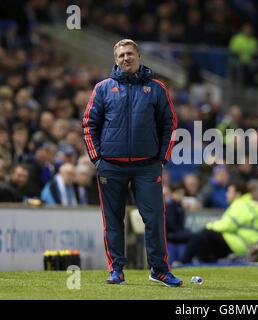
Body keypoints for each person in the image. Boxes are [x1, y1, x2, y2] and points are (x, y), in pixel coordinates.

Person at [81, 39, 181, 287]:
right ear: (116, 60)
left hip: (147, 166)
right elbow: (88, 124)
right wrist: (97, 158)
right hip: (111, 166)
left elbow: (170, 124)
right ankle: (116, 270)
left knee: (155, 217)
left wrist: (162, 158)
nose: (126, 58)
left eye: (130, 54)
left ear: (139, 56)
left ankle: (159, 270)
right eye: (121, 55)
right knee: (113, 220)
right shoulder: (102, 88)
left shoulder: (156, 88)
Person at [181, 181, 258, 264]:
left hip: (242, 243)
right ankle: (208, 265)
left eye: (229, 192)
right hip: (249, 243)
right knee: (205, 240)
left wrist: (208, 226)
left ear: (238, 194)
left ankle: (184, 263)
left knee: (203, 234)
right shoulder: (252, 204)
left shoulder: (240, 205)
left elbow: (227, 225)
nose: (226, 194)